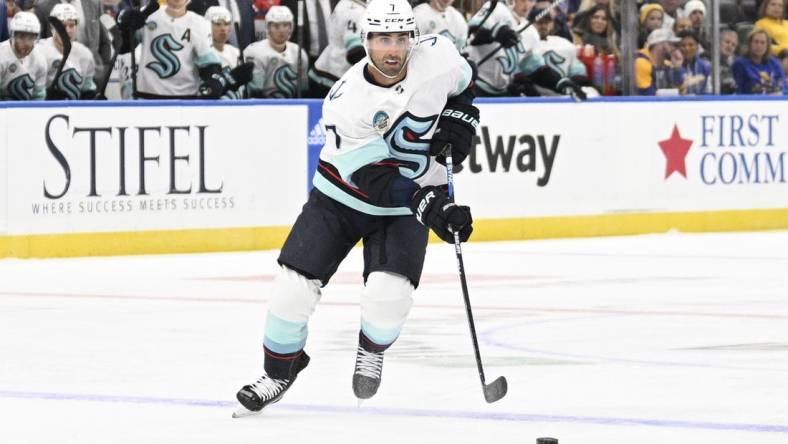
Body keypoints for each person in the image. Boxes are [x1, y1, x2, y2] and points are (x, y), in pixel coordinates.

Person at [233, 0, 477, 416]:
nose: (394, 49)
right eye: (383, 38)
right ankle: (278, 372)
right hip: (340, 198)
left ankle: (371, 346)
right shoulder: (346, 102)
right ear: (365, 40)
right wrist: (428, 201)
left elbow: (463, 86)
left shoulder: (438, 55)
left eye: (402, 37)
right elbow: (371, 177)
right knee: (291, 292)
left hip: (410, 204)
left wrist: (460, 120)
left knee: (388, 300)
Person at [116, 0, 251, 99]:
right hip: (147, 99)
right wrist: (125, 26)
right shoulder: (148, 15)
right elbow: (123, 48)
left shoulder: (200, 23)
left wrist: (216, 82)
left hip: (185, 101)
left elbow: (209, 67)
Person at [465, 0, 585, 98]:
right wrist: (497, 32)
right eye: (523, 0)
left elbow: (535, 68)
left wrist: (559, 82)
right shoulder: (497, 9)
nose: (527, 5)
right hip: (475, 84)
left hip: (501, 90)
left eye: (531, 1)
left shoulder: (531, 32)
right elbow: (473, 31)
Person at [34, 0, 112, 86]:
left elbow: (105, 40)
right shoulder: (43, 7)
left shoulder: (94, 3)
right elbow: (38, 43)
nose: (68, 30)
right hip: (57, 77)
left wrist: (104, 68)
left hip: (94, 74)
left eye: (71, 25)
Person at [244, 4, 308, 98]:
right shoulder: (254, 52)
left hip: (292, 107)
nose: (281, 30)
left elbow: (304, 91)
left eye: (285, 25)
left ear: (291, 27)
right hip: (262, 107)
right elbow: (255, 93)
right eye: (276, 26)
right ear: (268, 27)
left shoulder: (299, 53)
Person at [307, 0, 366, 98]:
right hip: (330, 78)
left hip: (330, 71)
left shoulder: (346, 3)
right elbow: (356, 52)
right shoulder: (354, 11)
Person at [531, 6, 593, 96]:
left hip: (563, 93)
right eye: (539, 23)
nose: (543, 26)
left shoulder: (564, 43)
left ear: (552, 24)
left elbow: (576, 67)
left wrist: (577, 82)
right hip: (536, 95)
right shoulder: (527, 44)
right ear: (531, 24)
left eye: (546, 22)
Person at [39, 3, 97, 99]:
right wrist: (44, 96)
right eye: (63, 26)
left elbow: (87, 89)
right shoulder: (40, 51)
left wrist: (94, 98)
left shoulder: (85, 54)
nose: (68, 30)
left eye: (72, 25)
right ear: (52, 28)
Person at [0, 11, 46, 99]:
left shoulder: (40, 60)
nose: (27, 43)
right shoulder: (1, 56)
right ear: (12, 35)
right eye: (21, 36)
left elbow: (39, 97)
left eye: (31, 37)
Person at [732, 27, 784, 94]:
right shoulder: (740, 64)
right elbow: (738, 91)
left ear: (767, 46)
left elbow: (782, 86)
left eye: (763, 43)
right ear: (750, 44)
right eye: (756, 42)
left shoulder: (774, 63)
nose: (759, 45)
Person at [188, 0, 255, 51]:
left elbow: (251, 37)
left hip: (243, 63)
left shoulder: (246, 2)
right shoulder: (197, 2)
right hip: (211, 61)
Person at [635, 27, 680, 95]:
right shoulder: (641, 62)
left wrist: (677, 68)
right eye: (671, 44)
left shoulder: (667, 64)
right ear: (659, 45)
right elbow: (647, 94)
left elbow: (680, 90)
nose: (674, 48)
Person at [676, 29, 709, 94]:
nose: (687, 48)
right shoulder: (672, 66)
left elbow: (709, 91)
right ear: (677, 47)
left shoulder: (705, 66)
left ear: (697, 46)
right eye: (683, 45)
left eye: (691, 45)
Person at [719, 28, 739, 94]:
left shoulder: (737, 63)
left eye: (733, 45)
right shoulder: (707, 59)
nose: (730, 46)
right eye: (727, 42)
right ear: (718, 42)